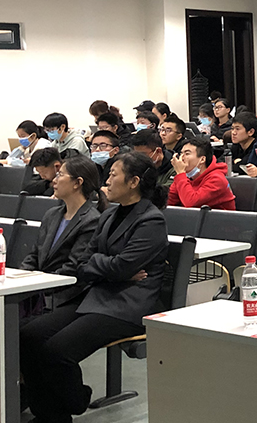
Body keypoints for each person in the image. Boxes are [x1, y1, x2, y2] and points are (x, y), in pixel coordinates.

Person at [19, 151, 169, 423]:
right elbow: (84, 265)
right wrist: (111, 268)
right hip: (97, 294)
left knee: (57, 350)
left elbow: (120, 266)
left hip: (127, 305)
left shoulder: (151, 220)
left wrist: (108, 267)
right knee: (28, 336)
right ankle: (49, 414)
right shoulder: (109, 215)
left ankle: (74, 400)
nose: (106, 181)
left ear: (133, 182)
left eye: (113, 175)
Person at [18, 155, 105, 309]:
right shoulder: (52, 214)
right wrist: (20, 277)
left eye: (60, 175)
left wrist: (38, 284)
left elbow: (73, 268)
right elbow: (35, 255)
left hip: (64, 295)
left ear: (77, 183)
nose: (54, 180)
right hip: (40, 290)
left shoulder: (91, 220)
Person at [168, 137, 235, 210]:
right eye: (181, 153)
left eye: (187, 153)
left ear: (202, 159)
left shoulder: (217, 179)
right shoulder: (185, 177)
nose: (181, 158)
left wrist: (180, 173)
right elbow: (169, 201)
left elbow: (191, 203)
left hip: (218, 217)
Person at [126, 129, 176, 196]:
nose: (138, 158)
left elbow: (164, 194)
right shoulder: (136, 165)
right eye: (136, 154)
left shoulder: (176, 168)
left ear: (158, 151)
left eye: (142, 154)